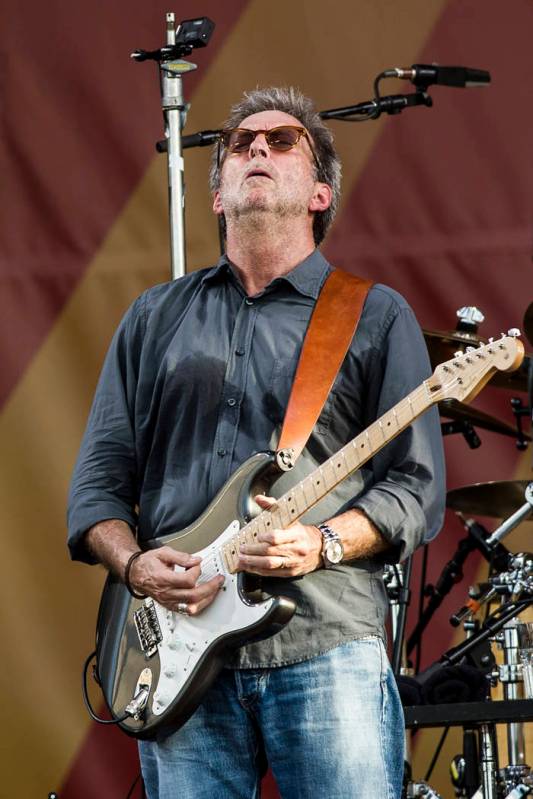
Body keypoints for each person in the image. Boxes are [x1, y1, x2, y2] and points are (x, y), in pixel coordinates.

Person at [68, 86, 445, 799]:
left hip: (323, 641)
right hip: (174, 654)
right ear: (216, 199)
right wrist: (135, 563)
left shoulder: (372, 315)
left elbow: (416, 485)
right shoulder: (154, 317)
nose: (255, 151)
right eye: (240, 144)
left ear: (319, 192)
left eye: (279, 142)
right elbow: (97, 483)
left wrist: (323, 541)